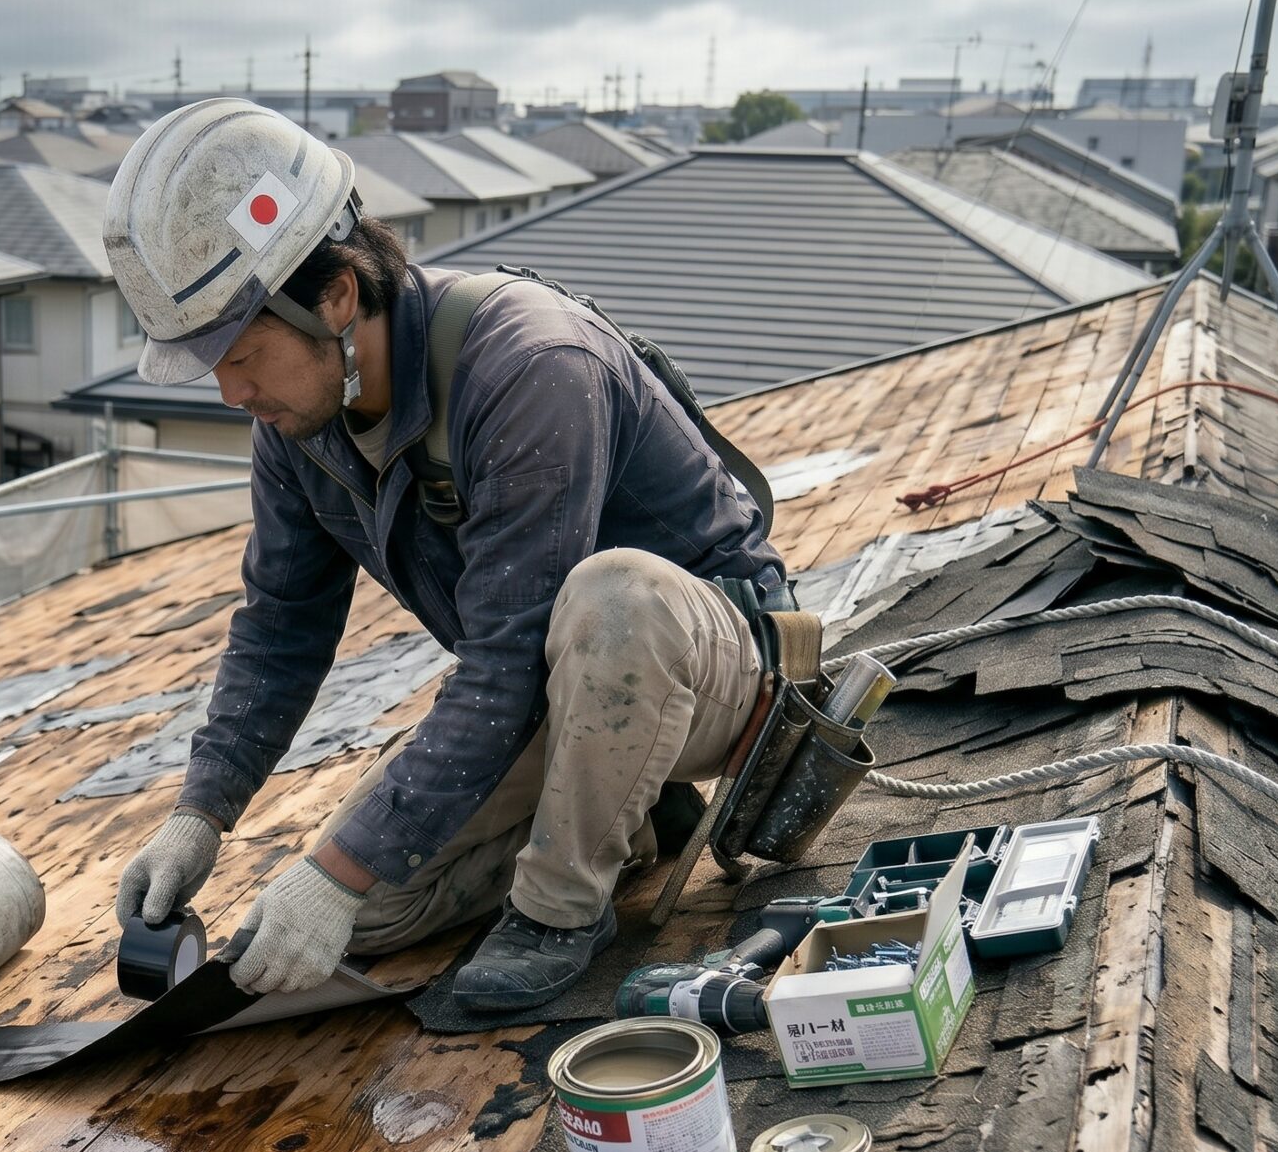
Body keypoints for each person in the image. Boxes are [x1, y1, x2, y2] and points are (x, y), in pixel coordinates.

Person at [106, 99, 786, 1012]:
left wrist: (336, 869)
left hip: (714, 668)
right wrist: (202, 810)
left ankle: (562, 908)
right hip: (555, 686)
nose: (231, 391)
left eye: (239, 352)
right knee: (369, 908)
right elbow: (281, 627)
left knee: (614, 594)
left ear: (336, 296)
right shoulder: (300, 418)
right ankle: (622, 813)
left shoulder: (530, 367)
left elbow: (506, 655)